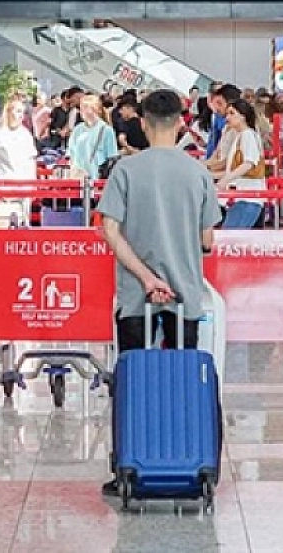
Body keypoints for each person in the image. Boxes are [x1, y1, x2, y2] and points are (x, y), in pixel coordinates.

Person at [95, 90, 222, 494]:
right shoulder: (197, 172)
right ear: (181, 123)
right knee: (186, 377)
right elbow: (207, 241)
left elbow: (110, 231)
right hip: (186, 295)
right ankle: (190, 459)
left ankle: (127, 467)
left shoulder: (126, 171)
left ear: (144, 124)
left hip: (135, 294)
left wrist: (147, 278)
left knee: (130, 378)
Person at [0, 96, 40, 183]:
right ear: (8, 112)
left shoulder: (25, 134)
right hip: (2, 185)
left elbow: (31, 160)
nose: (21, 116)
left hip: (24, 186)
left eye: (23, 112)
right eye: (18, 111)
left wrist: (32, 183)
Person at [216, 99, 267, 191]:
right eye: (227, 114)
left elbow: (249, 163)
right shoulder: (241, 135)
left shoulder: (247, 134)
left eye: (232, 113)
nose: (227, 117)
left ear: (243, 116)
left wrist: (225, 180)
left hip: (248, 194)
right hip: (242, 192)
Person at [66, 95, 118, 180]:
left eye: (87, 108)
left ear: (96, 110)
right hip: (77, 176)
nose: (84, 111)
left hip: (97, 178)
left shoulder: (106, 130)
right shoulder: (78, 129)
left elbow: (112, 158)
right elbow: (71, 153)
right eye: (82, 108)